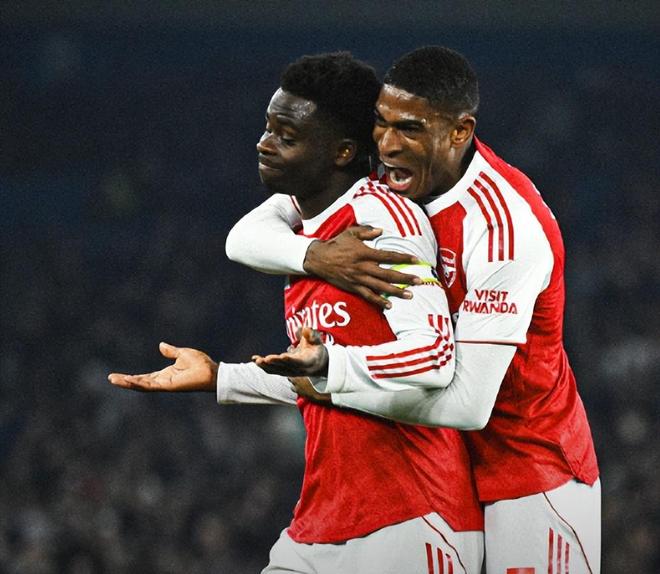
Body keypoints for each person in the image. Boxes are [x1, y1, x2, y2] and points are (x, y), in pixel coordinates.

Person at [224, 47, 601, 574]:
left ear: (459, 132)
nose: (387, 144)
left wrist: (330, 378)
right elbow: (246, 235)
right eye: (381, 123)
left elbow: (467, 404)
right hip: (441, 470)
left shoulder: (505, 230)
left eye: (409, 129)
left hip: (530, 469)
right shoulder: (394, 174)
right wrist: (316, 255)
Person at [109, 52, 484, 574]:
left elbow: (434, 358)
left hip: (413, 519)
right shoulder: (304, 233)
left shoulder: (382, 224)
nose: (264, 144)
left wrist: (329, 363)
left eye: (286, 136)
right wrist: (221, 377)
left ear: (342, 151)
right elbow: (327, 380)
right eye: (268, 128)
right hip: (325, 520)